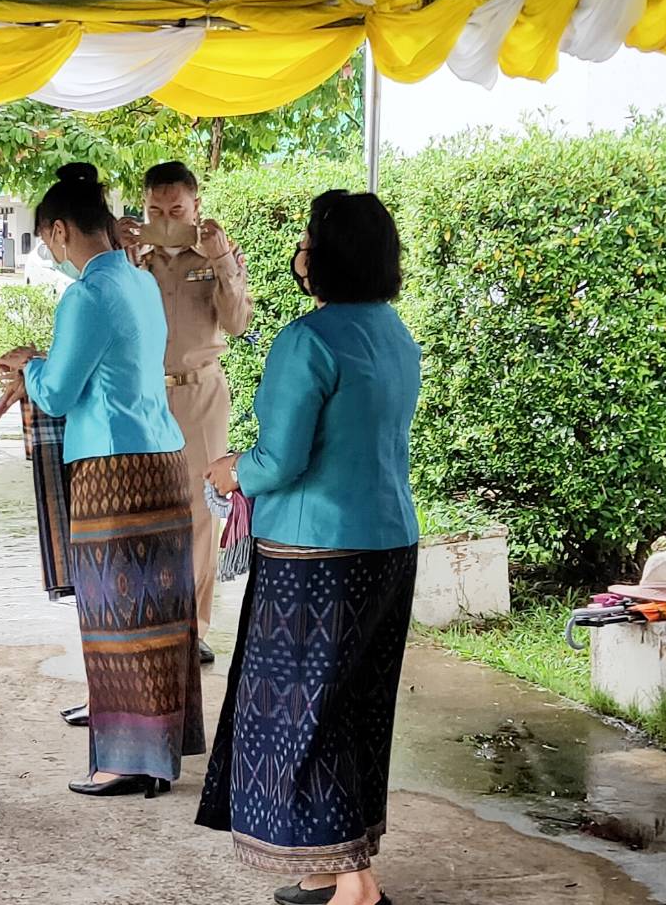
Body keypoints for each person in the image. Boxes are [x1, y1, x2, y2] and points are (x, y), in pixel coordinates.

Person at [197, 189, 419, 905]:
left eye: (306, 238)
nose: (299, 251)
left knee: (305, 711)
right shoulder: (393, 333)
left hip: (313, 555)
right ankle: (328, 866)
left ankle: (354, 884)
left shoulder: (308, 339)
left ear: (327, 256)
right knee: (354, 703)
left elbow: (281, 459)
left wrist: (231, 471)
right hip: (388, 544)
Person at [0, 162, 204, 798]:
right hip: (164, 457)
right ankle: (162, 744)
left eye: (45, 239)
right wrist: (44, 364)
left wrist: (25, 368)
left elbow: (58, 392)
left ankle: (126, 761)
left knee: (115, 613)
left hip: (113, 470)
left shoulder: (86, 293)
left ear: (59, 231)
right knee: (163, 612)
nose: (49, 252)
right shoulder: (138, 281)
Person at [118, 160, 251, 663]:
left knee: (200, 510)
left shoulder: (217, 254)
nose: (167, 217)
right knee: (145, 505)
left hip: (201, 395)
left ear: (197, 207)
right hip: (145, 392)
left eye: (177, 209)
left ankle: (193, 626)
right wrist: (122, 257)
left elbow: (237, 324)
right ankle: (149, 616)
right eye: (156, 209)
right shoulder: (134, 259)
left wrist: (224, 264)